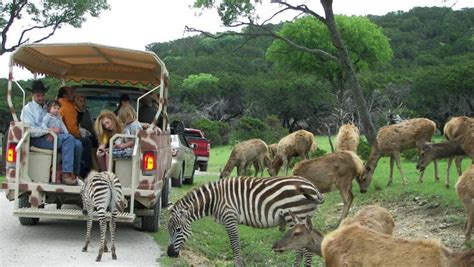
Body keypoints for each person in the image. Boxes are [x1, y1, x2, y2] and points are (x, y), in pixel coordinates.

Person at [20, 80, 80, 185]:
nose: (41, 98)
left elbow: (54, 122)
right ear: (32, 95)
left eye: (42, 95)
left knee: (78, 144)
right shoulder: (27, 109)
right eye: (38, 95)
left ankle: (75, 173)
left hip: (50, 136)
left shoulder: (46, 107)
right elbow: (31, 131)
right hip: (36, 140)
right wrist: (48, 131)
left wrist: (51, 131)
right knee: (69, 138)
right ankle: (66, 174)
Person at [57, 86, 92, 177]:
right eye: (71, 93)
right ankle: (83, 171)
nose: (74, 95)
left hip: (62, 135)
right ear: (65, 95)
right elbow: (72, 127)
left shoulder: (61, 104)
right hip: (67, 135)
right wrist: (78, 135)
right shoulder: (66, 107)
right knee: (87, 142)